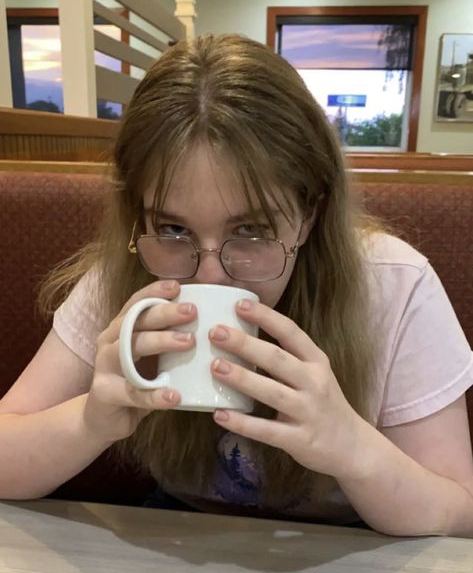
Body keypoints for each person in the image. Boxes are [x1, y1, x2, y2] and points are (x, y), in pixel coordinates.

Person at [1, 34, 472, 537]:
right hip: (178, 540)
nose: (209, 276)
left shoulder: (394, 286)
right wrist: (89, 423)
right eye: (175, 229)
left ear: (310, 214)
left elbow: (460, 515)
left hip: (351, 549)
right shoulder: (127, 275)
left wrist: (354, 449)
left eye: (251, 231)